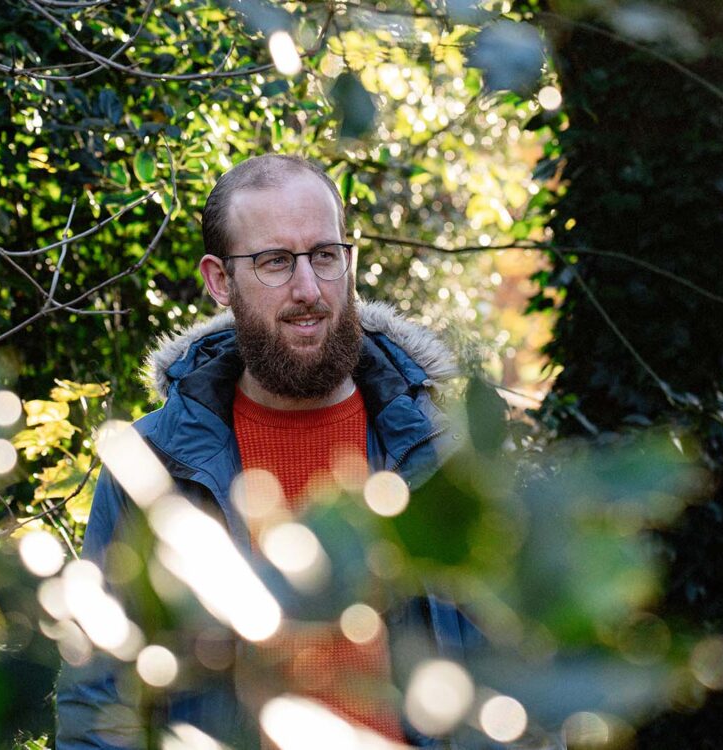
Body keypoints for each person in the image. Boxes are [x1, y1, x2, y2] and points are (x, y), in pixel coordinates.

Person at [55, 154, 483, 748]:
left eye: (325, 256)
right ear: (219, 280)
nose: (308, 289)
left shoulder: (443, 456)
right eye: (275, 262)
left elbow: (520, 673)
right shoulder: (151, 468)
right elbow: (98, 702)